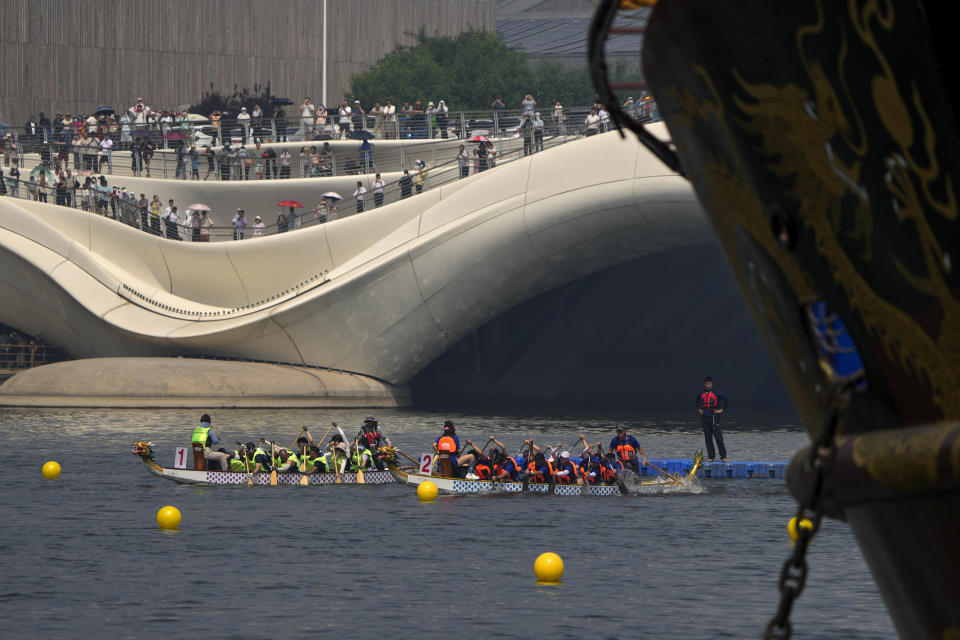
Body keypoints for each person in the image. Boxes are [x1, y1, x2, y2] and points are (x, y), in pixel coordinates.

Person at [697, 376, 729, 462]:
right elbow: (697, 402)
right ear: (705, 384)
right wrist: (699, 409)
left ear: (712, 384)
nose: (708, 385)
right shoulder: (701, 393)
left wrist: (721, 410)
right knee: (708, 438)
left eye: (710, 384)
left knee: (718, 438)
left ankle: (723, 456)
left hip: (714, 418)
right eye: (707, 384)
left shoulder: (717, 393)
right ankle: (711, 456)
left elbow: (726, 400)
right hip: (705, 418)